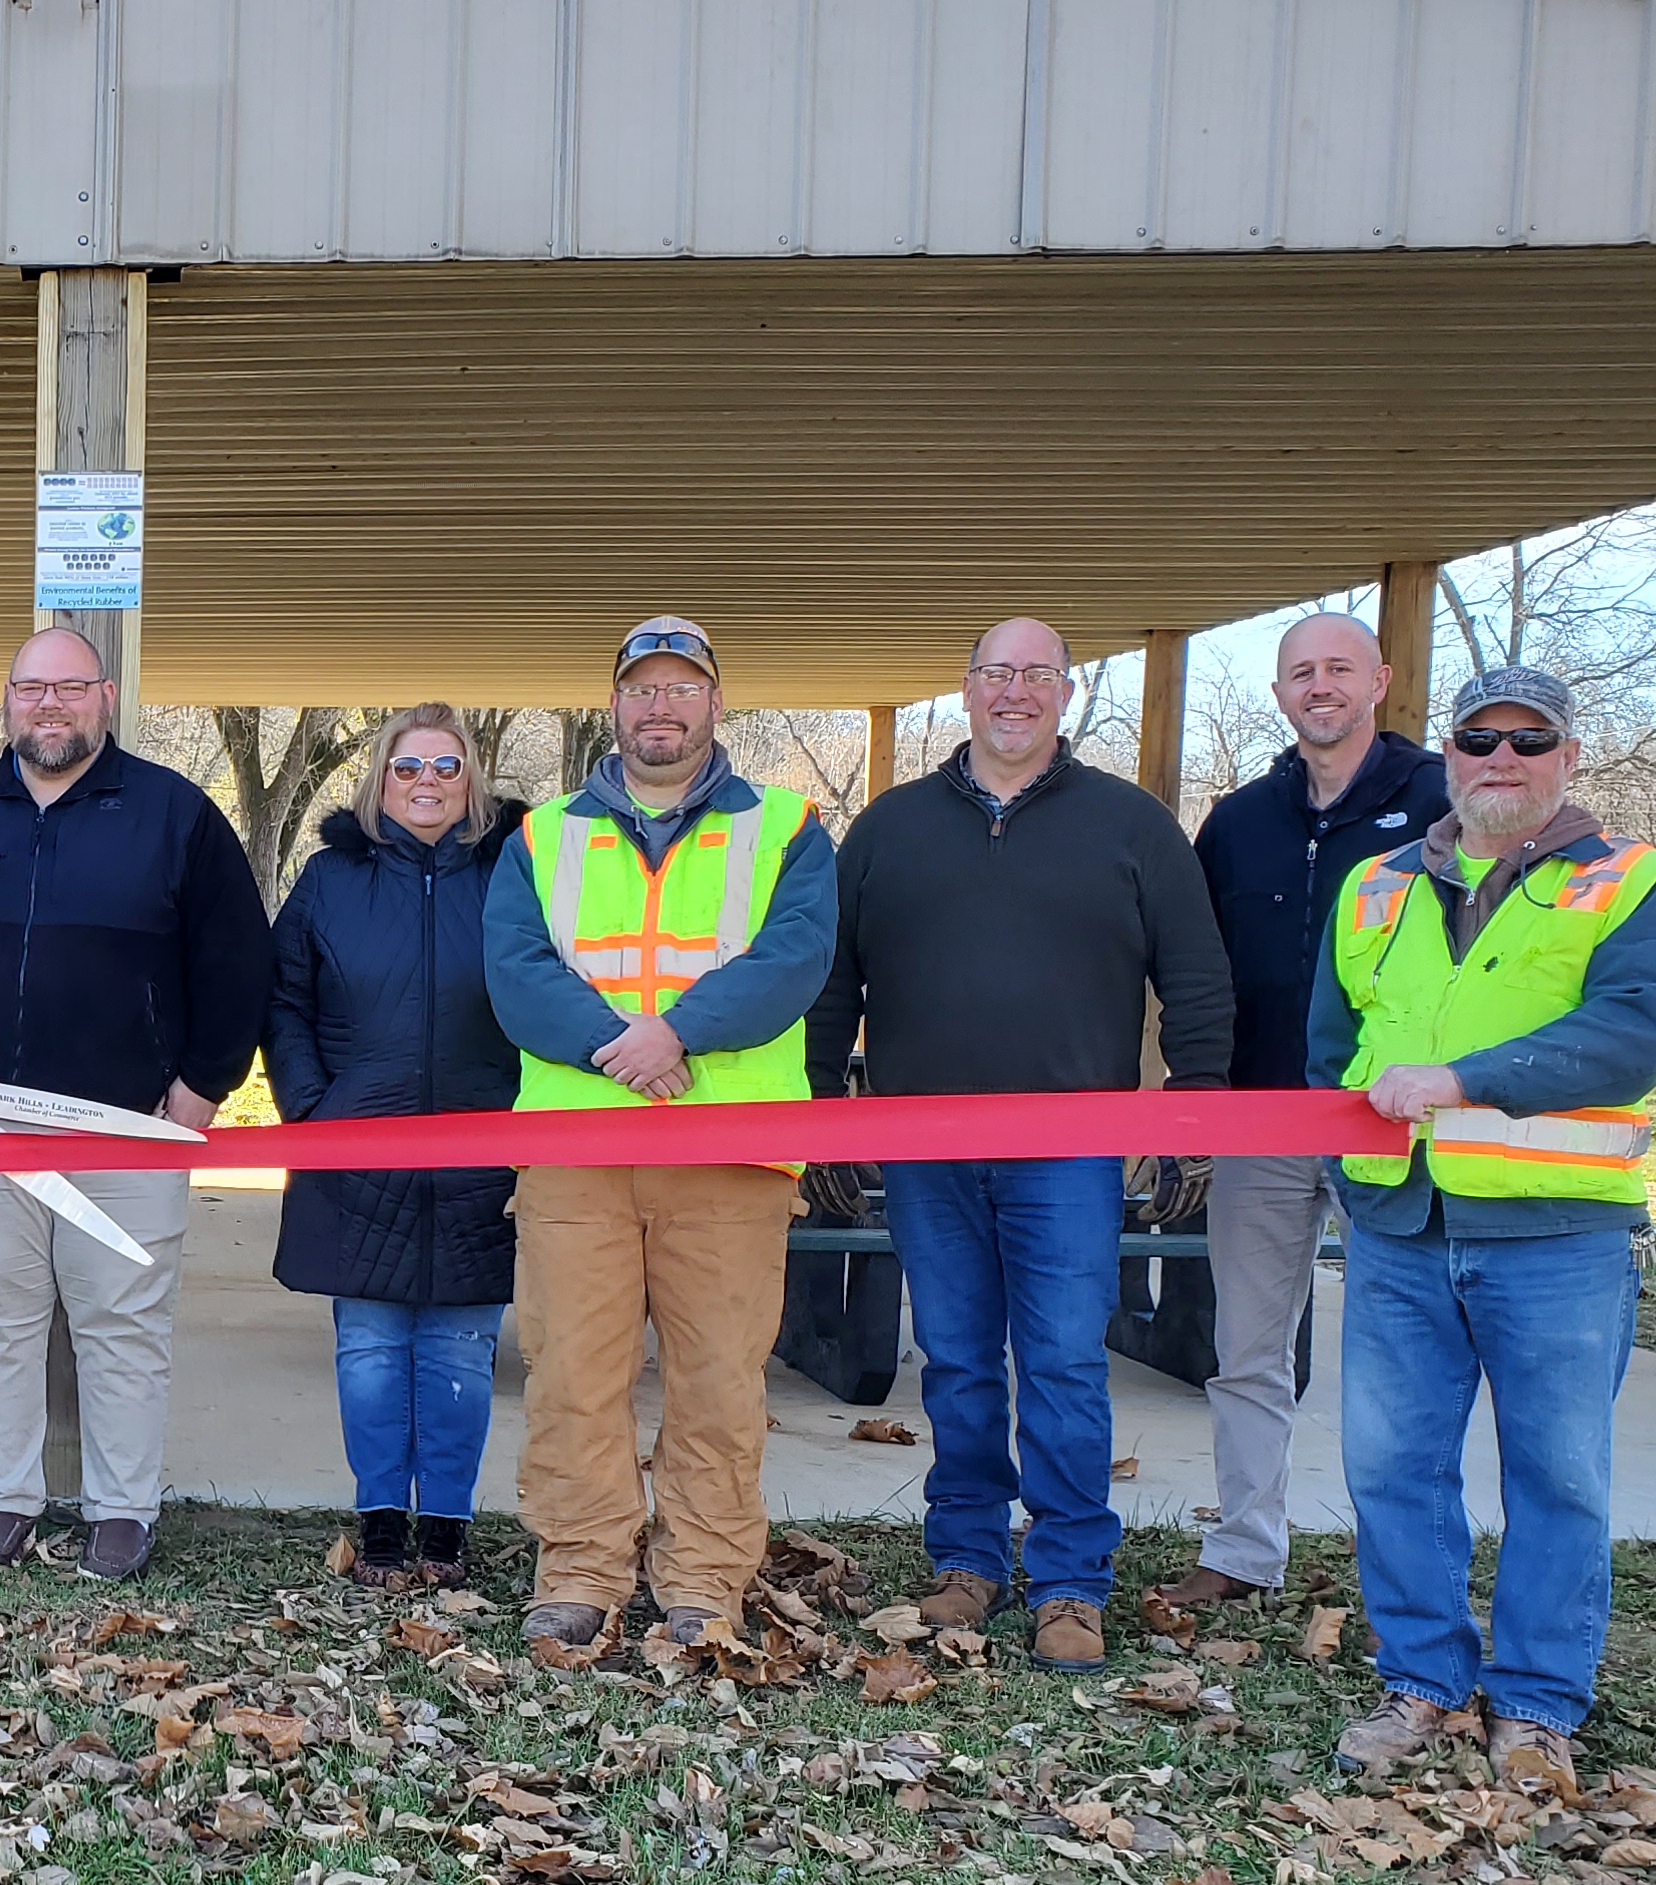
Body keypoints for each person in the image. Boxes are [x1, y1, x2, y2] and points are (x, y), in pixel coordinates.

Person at [804, 615, 1234, 1673]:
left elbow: (1195, 976)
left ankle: (1072, 1581)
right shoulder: (892, 827)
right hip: (923, 1148)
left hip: (1070, 1152)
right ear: (966, 689)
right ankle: (966, 1560)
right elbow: (831, 978)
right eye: (997, 672)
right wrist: (823, 1109)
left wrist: (1195, 1113)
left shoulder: (1131, 825)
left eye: (1037, 674)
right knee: (954, 1361)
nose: (1015, 692)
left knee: (1060, 1363)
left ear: (1066, 694)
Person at [1317, 663, 1656, 1794]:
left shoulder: (1634, 882)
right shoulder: (1376, 885)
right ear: (1449, 755)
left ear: (1569, 756)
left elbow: (1630, 1036)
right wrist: (1359, 1157)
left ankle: (1534, 1705)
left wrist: (1463, 1080)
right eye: (1480, 739)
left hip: (1557, 1237)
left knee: (1557, 1476)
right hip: (1400, 1224)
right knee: (1393, 1468)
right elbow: (1332, 1043)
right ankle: (1423, 1682)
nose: (1503, 760)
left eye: (1531, 741)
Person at [487, 624, 837, 1647]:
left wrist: (678, 1034)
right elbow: (516, 972)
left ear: (715, 706)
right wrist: (623, 1049)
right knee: (572, 1374)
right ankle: (581, 1569)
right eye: (642, 690)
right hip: (576, 1153)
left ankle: (703, 1582)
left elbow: (793, 960)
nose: (661, 708)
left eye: (683, 688)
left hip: (728, 1150)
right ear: (615, 706)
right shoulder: (540, 835)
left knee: (720, 1380)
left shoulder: (788, 827)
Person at [0, 624, 273, 1582]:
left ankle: (121, 1511)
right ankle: (4, 1504)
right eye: (33, 688)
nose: (51, 706)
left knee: (122, 1328)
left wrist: (202, 1086)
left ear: (105, 697)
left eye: (71, 688)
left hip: (125, 1126)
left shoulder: (175, 814)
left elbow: (238, 962)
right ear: (7, 700)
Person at [1173, 612, 1449, 1615]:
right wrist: (1194, 1097)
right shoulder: (1240, 820)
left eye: (1339, 667)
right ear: (1280, 693)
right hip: (1263, 1120)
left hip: (1397, 1124)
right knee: (1247, 1349)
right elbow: (1194, 971)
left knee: (1403, 1358)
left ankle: (1409, 1577)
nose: (1319, 685)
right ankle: (1245, 1550)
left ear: (1380, 679)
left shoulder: (1442, 802)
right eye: (1300, 672)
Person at [268, 708, 523, 1589]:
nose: (427, 781)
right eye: (407, 766)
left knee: (460, 1349)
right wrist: (312, 1105)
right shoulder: (330, 880)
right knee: (370, 1348)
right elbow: (283, 999)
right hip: (357, 1147)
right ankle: (381, 1523)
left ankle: (446, 1528)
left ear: (472, 780)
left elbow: (556, 988)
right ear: (380, 779)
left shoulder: (517, 873)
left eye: (447, 765)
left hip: (483, 1147)